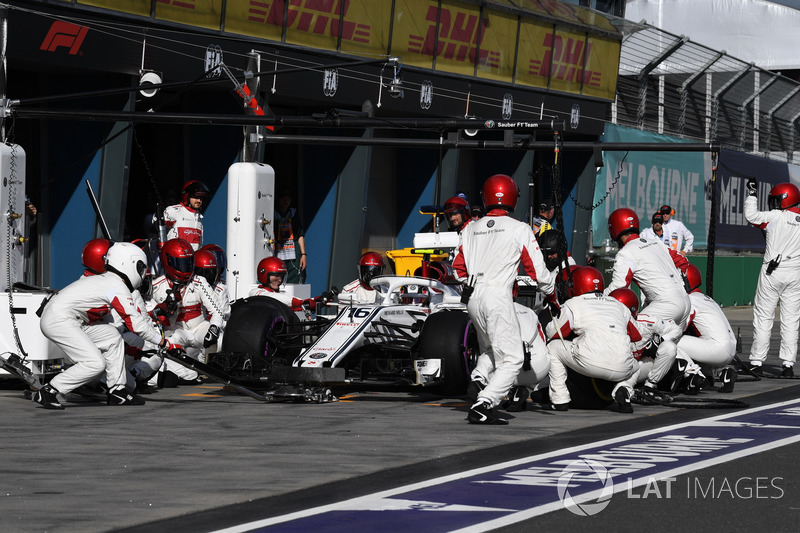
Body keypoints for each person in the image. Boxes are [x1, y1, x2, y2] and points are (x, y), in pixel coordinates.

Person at [453, 174, 555, 425]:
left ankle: (478, 378)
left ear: (486, 197)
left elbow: (456, 268)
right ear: (513, 198)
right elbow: (538, 272)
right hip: (499, 297)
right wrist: (552, 293)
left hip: (474, 297)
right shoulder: (519, 228)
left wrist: (473, 283)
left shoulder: (470, 228)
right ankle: (485, 403)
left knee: (491, 349)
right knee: (513, 358)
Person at [34, 242, 174, 409]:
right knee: (95, 363)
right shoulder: (115, 286)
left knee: (112, 336)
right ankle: (49, 390)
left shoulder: (108, 283)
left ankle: (117, 391)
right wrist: (163, 342)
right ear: (128, 264)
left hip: (69, 320)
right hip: (60, 319)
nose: (142, 274)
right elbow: (136, 324)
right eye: (141, 268)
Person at [604, 208, 691, 392]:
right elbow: (683, 262)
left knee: (634, 342)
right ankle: (676, 375)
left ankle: (625, 386)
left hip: (664, 305)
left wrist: (597, 298)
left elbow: (619, 289)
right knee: (664, 348)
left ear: (614, 230)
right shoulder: (655, 243)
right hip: (685, 302)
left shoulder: (625, 253)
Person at [544, 266, 639, 413]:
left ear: (576, 285)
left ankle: (559, 399)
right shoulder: (618, 304)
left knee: (553, 347)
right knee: (635, 364)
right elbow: (637, 335)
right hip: (623, 368)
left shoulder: (573, 303)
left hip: (590, 362)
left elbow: (553, 333)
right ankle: (624, 389)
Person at [744, 180, 800, 378]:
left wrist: (752, 193)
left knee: (763, 317)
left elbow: (751, 216)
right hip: (795, 273)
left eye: (776, 200)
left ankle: (757, 361)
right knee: (791, 320)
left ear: (784, 199)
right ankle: (787, 364)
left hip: (772, 272)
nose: (774, 204)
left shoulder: (775, 216)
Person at [150, 238, 224, 381]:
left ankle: (206, 369)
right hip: (175, 332)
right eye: (180, 263)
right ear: (168, 262)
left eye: (188, 263)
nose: (185, 268)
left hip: (199, 328)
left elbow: (216, 310)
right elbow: (149, 317)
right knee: (170, 343)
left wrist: (214, 328)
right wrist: (164, 309)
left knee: (220, 339)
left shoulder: (199, 282)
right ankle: (172, 371)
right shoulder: (156, 286)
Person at [676, 264, 737, 392]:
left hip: (717, 349)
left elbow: (679, 327)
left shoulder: (691, 300)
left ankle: (694, 374)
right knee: (698, 336)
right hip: (730, 348)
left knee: (671, 342)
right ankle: (719, 374)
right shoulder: (706, 298)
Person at [249, 256, 334, 311]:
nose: (279, 280)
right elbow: (274, 298)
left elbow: (298, 304)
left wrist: (318, 300)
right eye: (275, 275)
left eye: (281, 276)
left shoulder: (283, 294)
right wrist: (302, 302)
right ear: (263, 274)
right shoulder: (256, 292)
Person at [161, 180, 209, 251]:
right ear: (187, 196)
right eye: (196, 197)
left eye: (201, 198)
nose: (199, 201)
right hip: (175, 259)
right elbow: (156, 228)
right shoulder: (174, 211)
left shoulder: (199, 217)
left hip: (192, 260)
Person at [274, 188, 307, 284]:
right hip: (278, 251)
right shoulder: (272, 213)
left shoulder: (293, 213)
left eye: (288, 198)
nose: (286, 201)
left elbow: (300, 234)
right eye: (283, 198)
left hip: (293, 252)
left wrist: (303, 254)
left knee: (296, 278)